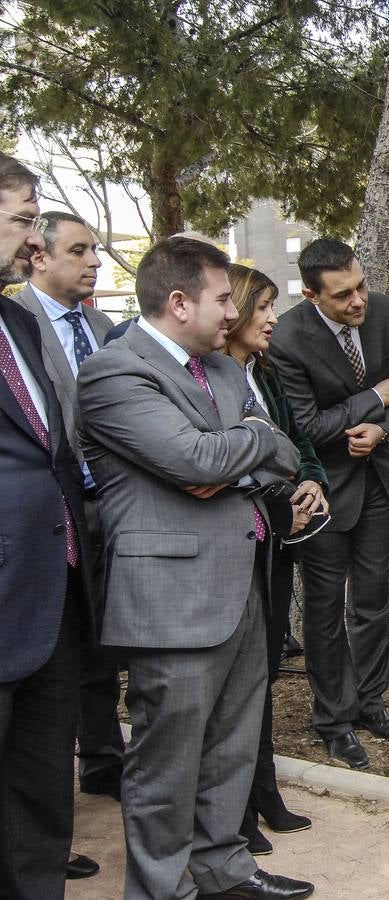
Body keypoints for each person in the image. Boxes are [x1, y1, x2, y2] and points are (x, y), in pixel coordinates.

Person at [77, 236, 313, 899]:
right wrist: (236, 451)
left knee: (232, 746)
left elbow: (280, 454)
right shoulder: (115, 372)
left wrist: (236, 450)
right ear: (178, 302)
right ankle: (160, 888)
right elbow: (195, 463)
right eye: (220, 301)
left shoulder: (228, 369)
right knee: (165, 763)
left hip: (240, 582)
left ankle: (222, 869)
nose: (231, 316)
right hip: (170, 597)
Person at [269, 238, 389, 770]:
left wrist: (380, 428)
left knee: (374, 598)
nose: (358, 301)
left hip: (378, 481)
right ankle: (333, 719)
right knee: (326, 612)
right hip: (323, 492)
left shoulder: (383, 311)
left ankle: (370, 703)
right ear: (312, 295)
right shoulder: (287, 337)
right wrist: (375, 399)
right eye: (342, 296)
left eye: (360, 286)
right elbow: (304, 425)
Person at [0, 154, 96, 899]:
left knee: (39, 777)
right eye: (24, 221)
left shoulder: (19, 325)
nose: (34, 245)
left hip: (53, 585)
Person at [12, 210, 116, 880]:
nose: (93, 262)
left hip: (97, 512)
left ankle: (104, 764)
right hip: (37, 527)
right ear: (40, 256)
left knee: (93, 652)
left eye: (95, 250)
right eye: (78, 251)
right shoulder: (21, 320)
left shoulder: (102, 329)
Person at [221, 263, 329, 855]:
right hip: (240, 541)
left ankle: (264, 792)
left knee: (262, 670)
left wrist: (310, 484)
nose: (271, 319)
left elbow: (300, 446)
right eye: (262, 307)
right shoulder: (211, 377)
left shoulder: (264, 371)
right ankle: (234, 808)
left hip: (277, 540)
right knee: (238, 681)